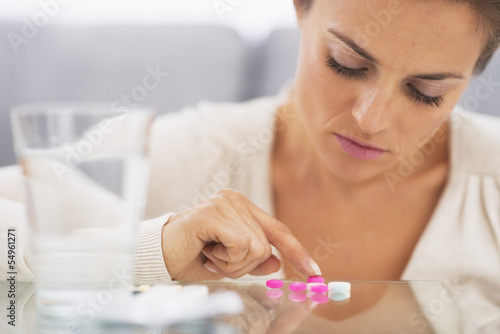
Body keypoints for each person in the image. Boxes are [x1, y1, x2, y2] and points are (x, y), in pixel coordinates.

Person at [1, 0, 500, 331]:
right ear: (300, 10)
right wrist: (151, 248)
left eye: (426, 91)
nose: (370, 120)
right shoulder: (192, 153)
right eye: (346, 63)